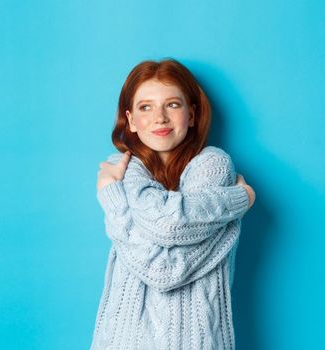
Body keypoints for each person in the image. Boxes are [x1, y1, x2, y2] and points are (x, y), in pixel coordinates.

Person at [89, 58, 256, 350]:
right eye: (146, 107)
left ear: (191, 115)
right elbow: (168, 248)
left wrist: (114, 201)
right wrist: (238, 201)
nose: (160, 118)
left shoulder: (214, 165)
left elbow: (165, 258)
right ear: (130, 120)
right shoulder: (123, 167)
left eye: (172, 105)